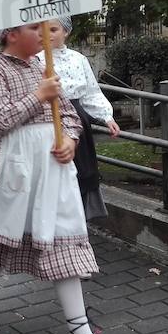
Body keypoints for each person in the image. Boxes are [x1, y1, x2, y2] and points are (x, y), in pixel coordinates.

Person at [0, 21, 129, 334]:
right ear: (11, 34)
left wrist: (70, 139)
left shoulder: (42, 67)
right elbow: (1, 120)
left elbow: (69, 114)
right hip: (13, 173)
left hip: (52, 173)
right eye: (34, 28)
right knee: (0, 240)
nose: (42, 34)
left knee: (63, 241)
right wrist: (39, 96)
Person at [38, 16, 120, 220]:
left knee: (81, 168)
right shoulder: (35, 60)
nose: (47, 34)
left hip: (76, 118)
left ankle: (81, 213)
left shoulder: (78, 59)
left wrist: (106, 116)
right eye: (42, 30)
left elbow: (90, 92)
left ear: (66, 32)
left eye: (53, 30)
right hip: (47, 117)